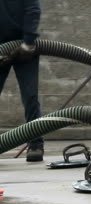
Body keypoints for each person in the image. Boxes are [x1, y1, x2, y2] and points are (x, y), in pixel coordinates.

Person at [0, 0, 43, 162]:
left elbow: (33, 10)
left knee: (30, 96)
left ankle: (35, 144)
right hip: (0, 46)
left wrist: (29, 41)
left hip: (25, 48)